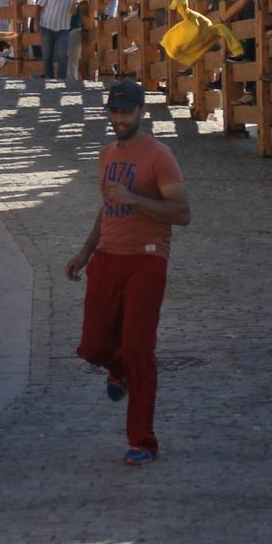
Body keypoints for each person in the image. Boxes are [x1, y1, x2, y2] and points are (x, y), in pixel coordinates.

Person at [65, 80, 191, 466]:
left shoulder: (159, 155)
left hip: (147, 259)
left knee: (139, 349)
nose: (120, 118)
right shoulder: (106, 155)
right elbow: (107, 207)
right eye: (114, 111)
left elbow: (182, 214)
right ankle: (117, 370)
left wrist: (135, 198)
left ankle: (142, 441)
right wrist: (85, 252)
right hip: (107, 258)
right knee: (92, 348)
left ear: (141, 112)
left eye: (127, 111)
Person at [36, 0, 91, 81]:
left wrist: (77, 2)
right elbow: (39, 6)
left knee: (63, 56)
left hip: (63, 28)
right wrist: (37, 23)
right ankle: (50, 79)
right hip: (47, 26)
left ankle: (60, 80)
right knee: (47, 56)